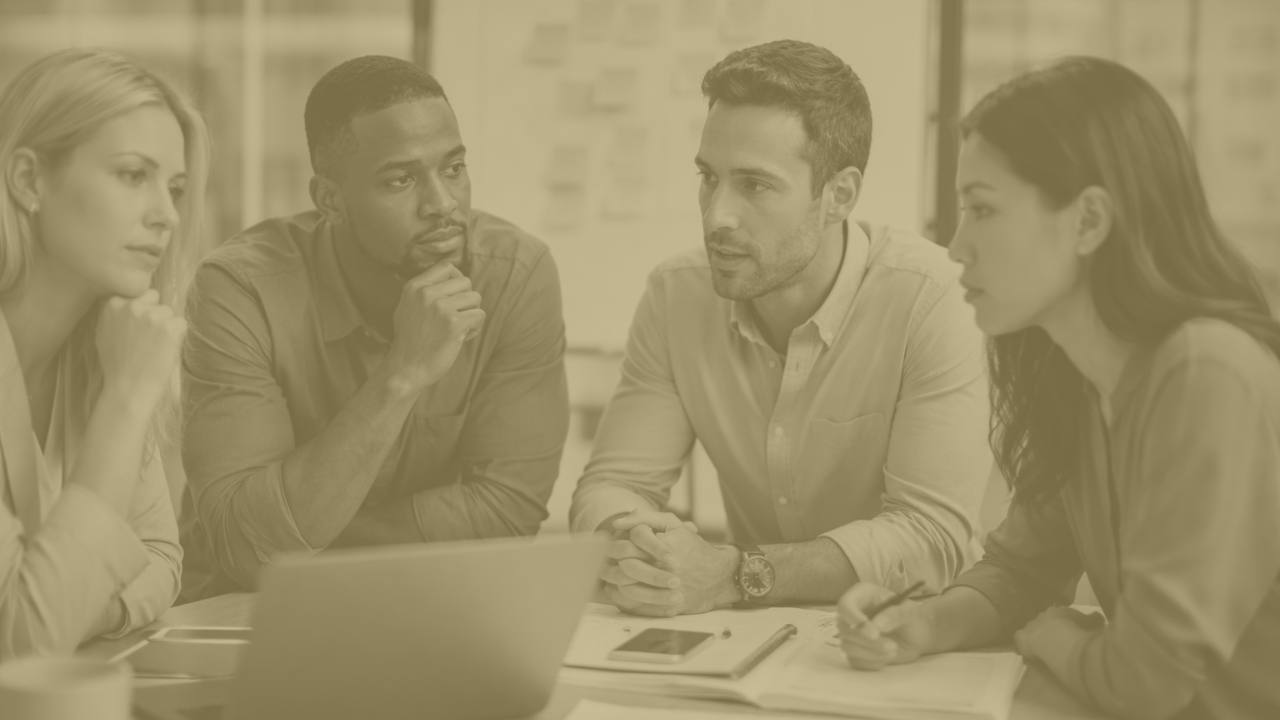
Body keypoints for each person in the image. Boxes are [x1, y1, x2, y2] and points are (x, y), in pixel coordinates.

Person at [837, 56, 1280, 719]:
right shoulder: (1075, 374)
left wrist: (1055, 634)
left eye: (982, 209)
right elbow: (1020, 571)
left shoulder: (1205, 371)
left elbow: (1144, 683)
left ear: (1089, 221)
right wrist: (924, 623)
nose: (956, 246)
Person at [569, 39, 991, 616]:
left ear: (838, 195)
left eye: (755, 185)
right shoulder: (676, 296)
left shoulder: (932, 297)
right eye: (708, 177)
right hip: (753, 642)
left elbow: (930, 538)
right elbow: (612, 485)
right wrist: (639, 541)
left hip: (915, 637)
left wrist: (733, 574)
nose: (717, 215)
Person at [180, 56, 568, 598]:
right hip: (246, 617)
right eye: (401, 179)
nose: (442, 204)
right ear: (329, 201)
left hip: (428, 605)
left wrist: (301, 535)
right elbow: (246, 554)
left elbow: (507, 512)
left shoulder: (515, 275)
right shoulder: (242, 288)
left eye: (454, 168)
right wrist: (401, 375)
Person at [0, 48, 209, 657]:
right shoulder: (126, 373)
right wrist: (128, 396)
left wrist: (71, 606)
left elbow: (164, 562)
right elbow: (26, 639)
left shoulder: (102, 350)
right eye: (131, 175)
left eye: (174, 188)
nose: (167, 216)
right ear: (28, 181)